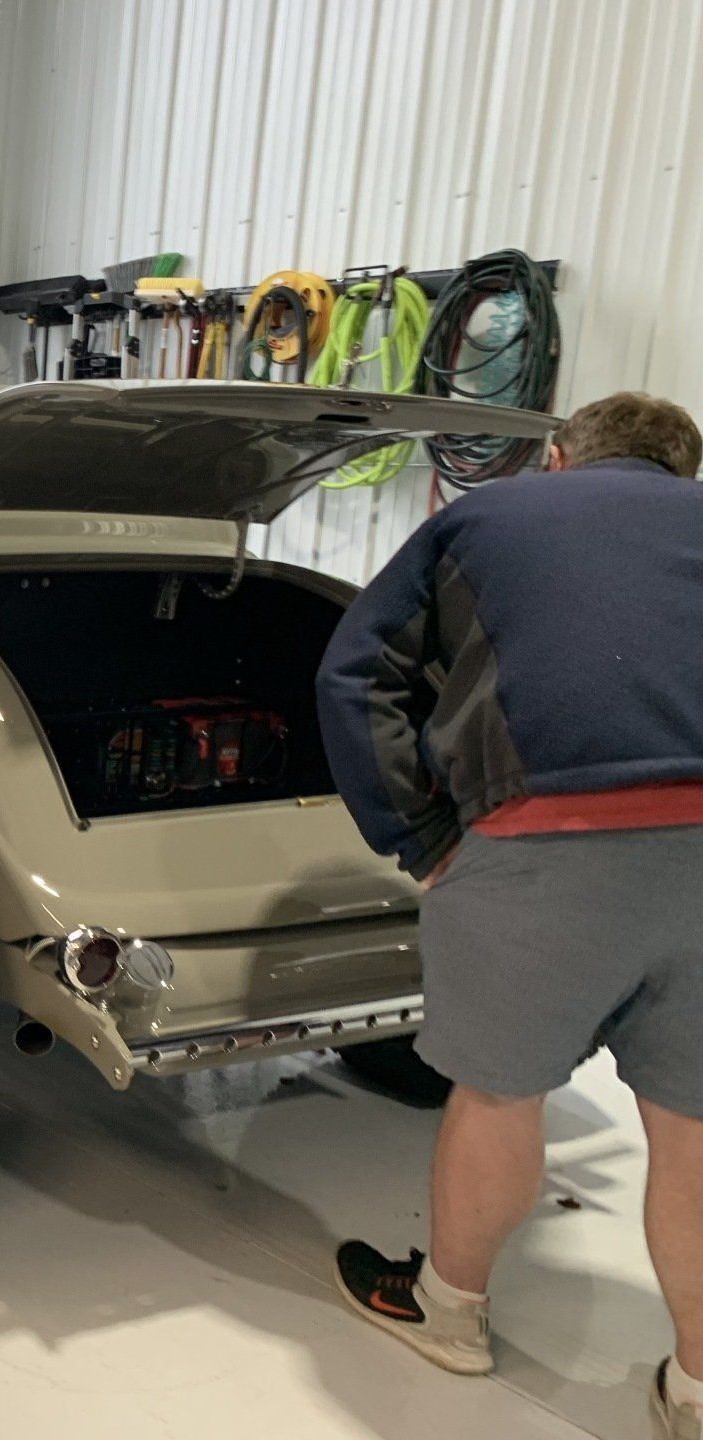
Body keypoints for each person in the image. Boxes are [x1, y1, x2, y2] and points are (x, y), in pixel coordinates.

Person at [316, 391, 703, 1434]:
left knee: (499, 1097)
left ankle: (447, 1313)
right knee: (694, 1128)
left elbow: (355, 674)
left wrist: (419, 836)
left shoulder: (484, 517)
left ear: (563, 456)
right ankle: (697, 1392)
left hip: (543, 850)